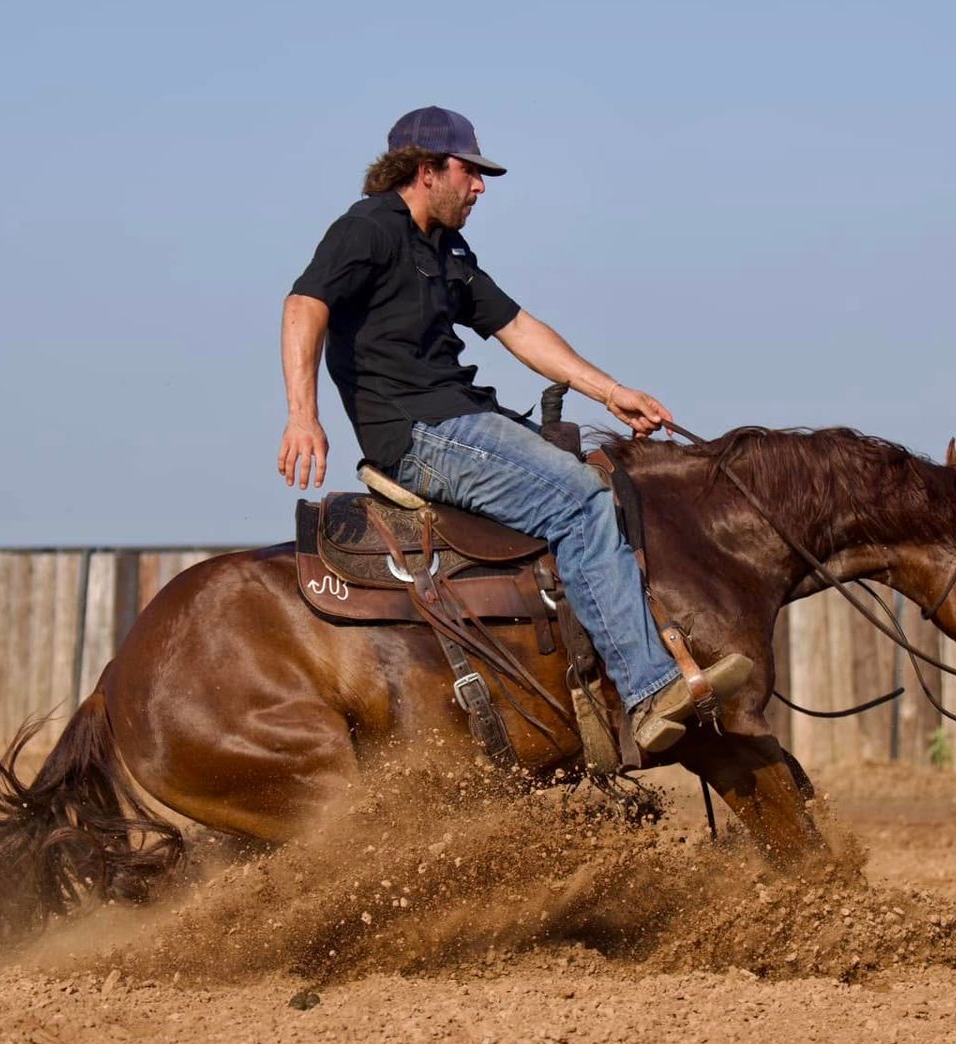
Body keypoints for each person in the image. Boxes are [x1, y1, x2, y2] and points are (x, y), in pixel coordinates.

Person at [277, 106, 750, 754]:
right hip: (422, 435)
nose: (479, 186)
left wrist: (612, 392)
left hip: (468, 419)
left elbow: (518, 328)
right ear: (425, 170)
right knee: (579, 499)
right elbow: (304, 305)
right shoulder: (369, 229)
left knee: (610, 478)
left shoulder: (447, 250)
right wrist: (303, 416)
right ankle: (647, 691)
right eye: (469, 171)